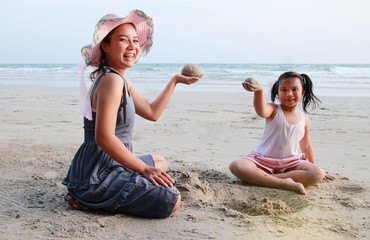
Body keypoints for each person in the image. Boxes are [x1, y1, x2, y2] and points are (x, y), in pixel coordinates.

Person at [62, 9, 202, 218]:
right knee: (171, 201)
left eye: (135, 41)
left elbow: (153, 113)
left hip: (110, 162)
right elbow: (104, 138)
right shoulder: (112, 80)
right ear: (106, 46)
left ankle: (123, 178)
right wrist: (144, 170)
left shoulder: (121, 79)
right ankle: (88, 198)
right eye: (123, 40)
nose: (132, 47)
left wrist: (175, 81)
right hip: (98, 173)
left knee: (160, 162)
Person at [229, 72, 334, 195]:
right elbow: (261, 111)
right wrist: (259, 91)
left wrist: (315, 166)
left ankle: (263, 178)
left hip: (291, 163)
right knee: (236, 165)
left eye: (294, 89)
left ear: (302, 91)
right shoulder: (273, 109)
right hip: (263, 161)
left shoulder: (304, 118)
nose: (289, 94)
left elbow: (306, 146)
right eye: (284, 89)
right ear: (277, 92)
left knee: (318, 173)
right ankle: (284, 183)